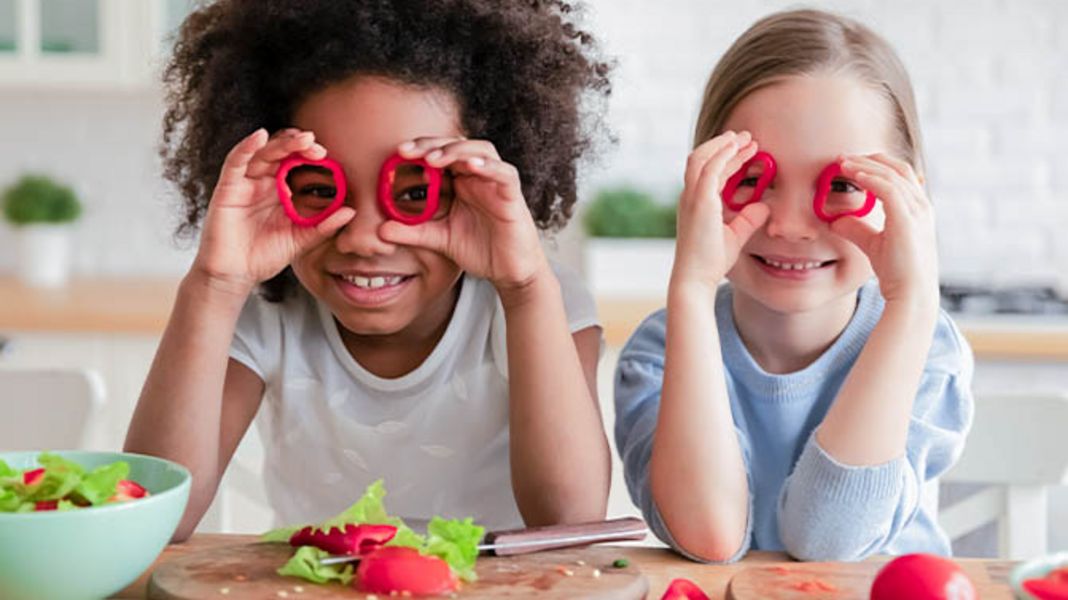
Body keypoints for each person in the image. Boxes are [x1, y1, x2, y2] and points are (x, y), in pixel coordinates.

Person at [125, 0, 612, 541]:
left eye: (415, 193)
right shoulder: (268, 312)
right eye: (318, 190)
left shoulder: (539, 302)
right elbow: (154, 519)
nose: (361, 239)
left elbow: (572, 520)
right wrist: (213, 286)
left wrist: (525, 289)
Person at [614, 9, 973, 562]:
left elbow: (830, 541)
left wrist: (914, 300)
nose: (789, 225)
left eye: (844, 184)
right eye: (753, 180)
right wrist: (691, 285)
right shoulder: (661, 351)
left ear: (910, 203)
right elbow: (708, 536)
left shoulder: (929, 347)